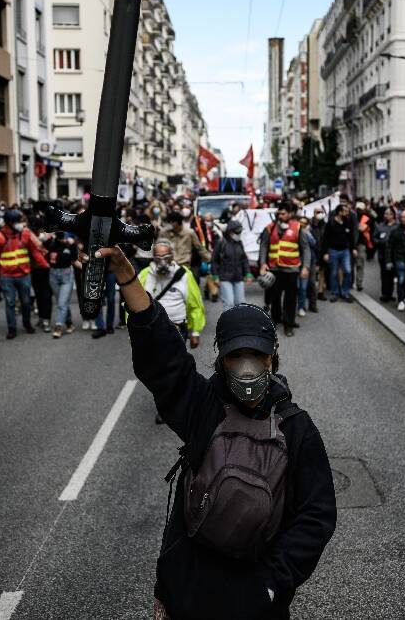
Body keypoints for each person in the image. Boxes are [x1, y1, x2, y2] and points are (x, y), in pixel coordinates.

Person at [88, 244, 336, 620]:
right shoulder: (203, 406)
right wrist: (125, 275)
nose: (247, 367)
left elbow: (317, 515)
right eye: (237, 356)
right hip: (190, 587)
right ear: (220, 358)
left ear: (273, 356)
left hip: (254, 600)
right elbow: (163, 354)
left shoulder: (297, 428)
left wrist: (272, 581)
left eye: (256, 355)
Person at [0, 209, 48, 339]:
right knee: (10, 302)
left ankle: (27, 324)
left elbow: (35, 252)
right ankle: (12, 328)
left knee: (26, 302)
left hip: (24, 275)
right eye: (18, 221)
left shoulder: (25, 234)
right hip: (6, 277)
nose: (21, 223)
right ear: (9, 223)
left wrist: (45, 265)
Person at [136, 240, 205, 350]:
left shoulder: (184, 275)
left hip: (177, 329)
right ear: (153, 258)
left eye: (166, 257)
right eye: (158, 258)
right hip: (151, 330)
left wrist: (195, 332)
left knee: (177, 364)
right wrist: (133, 332)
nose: (162, 262)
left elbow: (195, 304)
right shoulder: (144, 275)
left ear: (172, 256)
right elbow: (134, 304)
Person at [258, 202, 310, 337]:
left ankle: (289, 324)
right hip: (274, 269)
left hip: (291, 270)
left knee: (290, 299)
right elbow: (263, 246)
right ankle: (276, 320)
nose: (280, 216)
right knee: (275, 297)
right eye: (279, 213)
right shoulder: (270, 228)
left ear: (290, 214)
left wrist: (305, 267)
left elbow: (305, 249)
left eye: (283, 213)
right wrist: (263, 263)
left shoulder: (298, 228)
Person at [211, 219, 252, 309]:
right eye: (237, 232)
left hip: (238, 277)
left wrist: (248, 273)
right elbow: (214, 261)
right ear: (230, 232)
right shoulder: (221, 243)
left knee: (241, 303)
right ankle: (228, 322)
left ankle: (239, 322)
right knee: (229, 303)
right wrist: (215, 276)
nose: (239, 234)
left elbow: (244, 259)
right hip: (225, 278)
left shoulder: (239, 243)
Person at [46, 231, 78, 339]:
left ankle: (58, 326)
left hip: (66, 274)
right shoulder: (51, 243)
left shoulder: (69, 244)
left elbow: (74, 258)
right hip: (53, 274)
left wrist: (72, 244)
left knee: (61, 303)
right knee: (61, 301)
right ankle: (69, 323)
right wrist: (50, 238)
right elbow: (42, 247)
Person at [322, 204, 356, 303]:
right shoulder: (331, 223)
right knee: (333, 273)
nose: (347, 213)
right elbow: (325, 238)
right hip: (333, 251)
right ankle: (335, 293)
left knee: (348, 271)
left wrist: (353, 248)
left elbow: (351, 237)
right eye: (345, 211)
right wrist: (325, 252)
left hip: (345, 251)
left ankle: (345, 292)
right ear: (339, 212)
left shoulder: (347, 222)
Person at [374, 207, 397, 302]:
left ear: (392, 215)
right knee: (384, 275)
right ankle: (384, 293)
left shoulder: (397, 226)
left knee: (392, 275)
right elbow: (374, 237)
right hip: (382, 254)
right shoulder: (380, 226)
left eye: (387, 214)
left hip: (394, 255)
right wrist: (380, 242)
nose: (385, 215)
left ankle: (390, 293)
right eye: (385, 214)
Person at [353, 201, 374, 292]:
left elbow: (361, 228)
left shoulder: (366, 218)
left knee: (360, 264)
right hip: (352, 244)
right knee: (351, 265)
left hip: (361, 243)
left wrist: (355, 226)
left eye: (360, 209)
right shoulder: (352, 217)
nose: (359, 211)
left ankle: (359, 283)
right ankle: (351, 283)